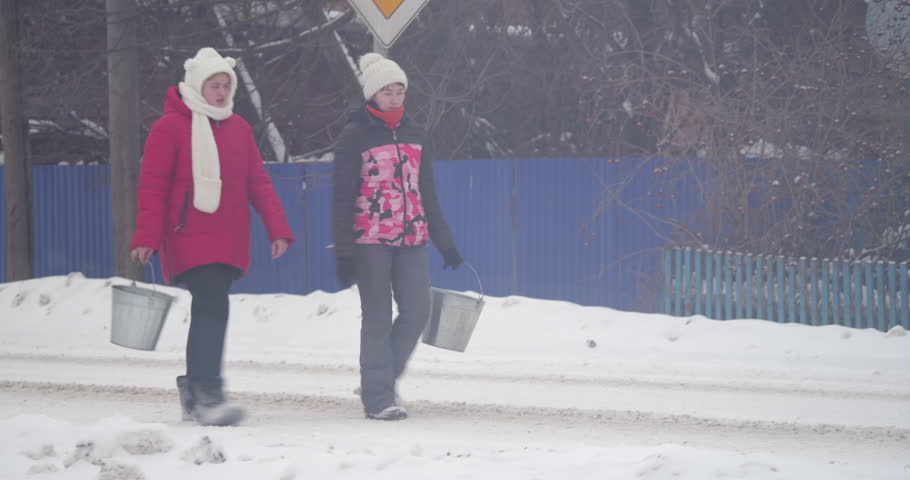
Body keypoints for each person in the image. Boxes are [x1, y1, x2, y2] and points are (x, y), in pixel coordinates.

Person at [129, 47, 295, 426]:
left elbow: (258, 182)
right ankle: (208, 393)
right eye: (213, 85)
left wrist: (279, 228)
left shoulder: (238, 128)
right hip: (187, 233)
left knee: (209, 307)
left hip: (229, 236)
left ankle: (193, 394)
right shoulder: (168, 128)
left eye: (225, 85)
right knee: (213, 303)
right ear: (195, 86)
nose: (220, 92)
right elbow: (152, 188)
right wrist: (146, 237)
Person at [332, 53, 463, 421]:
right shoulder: (355, 135)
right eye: (386, 91)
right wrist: (344, 251)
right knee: (376, 316)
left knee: (418, 310)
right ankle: (378, 398)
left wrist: (446, 243)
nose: (393, 98)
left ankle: (381, 380)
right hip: (369, 239)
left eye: (399, 91)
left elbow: (427, 193)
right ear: (372, 94)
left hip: (412, 238)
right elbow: (342, 196)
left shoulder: (415, 134)